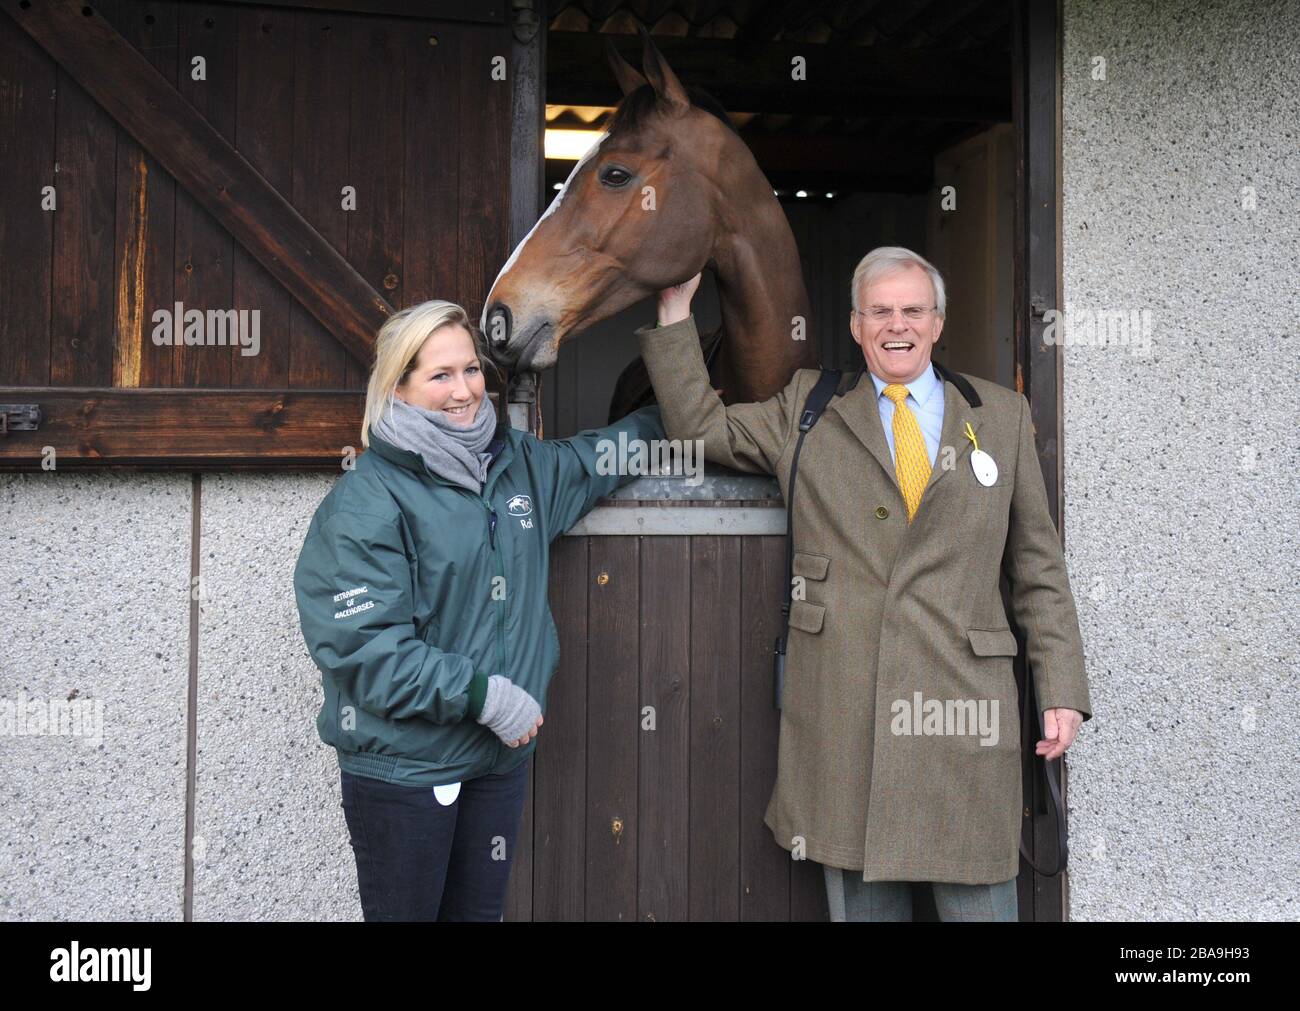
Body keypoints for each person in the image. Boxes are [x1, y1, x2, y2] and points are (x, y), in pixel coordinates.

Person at [634, 246, 1093, 922]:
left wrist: (1060, 689)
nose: (896, 324)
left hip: (962, 719)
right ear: (855, 324)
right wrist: (676, 309)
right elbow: (700, 428)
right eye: (880, 310)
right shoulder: (808, 408)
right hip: (846, 720)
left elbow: (1038, 568)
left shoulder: (999, 416)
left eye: (912, 309)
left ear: (937, 322)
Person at [293, 299, 664, 921]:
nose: (464, 391)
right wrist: (485, 698)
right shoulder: (365, 504)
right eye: (440, 375)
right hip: (406, 773)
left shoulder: (518, 465)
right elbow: (365, 650)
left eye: (470, 370)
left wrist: (679, 405)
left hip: (495, 763)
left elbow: (600, 458)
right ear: (399, 387)